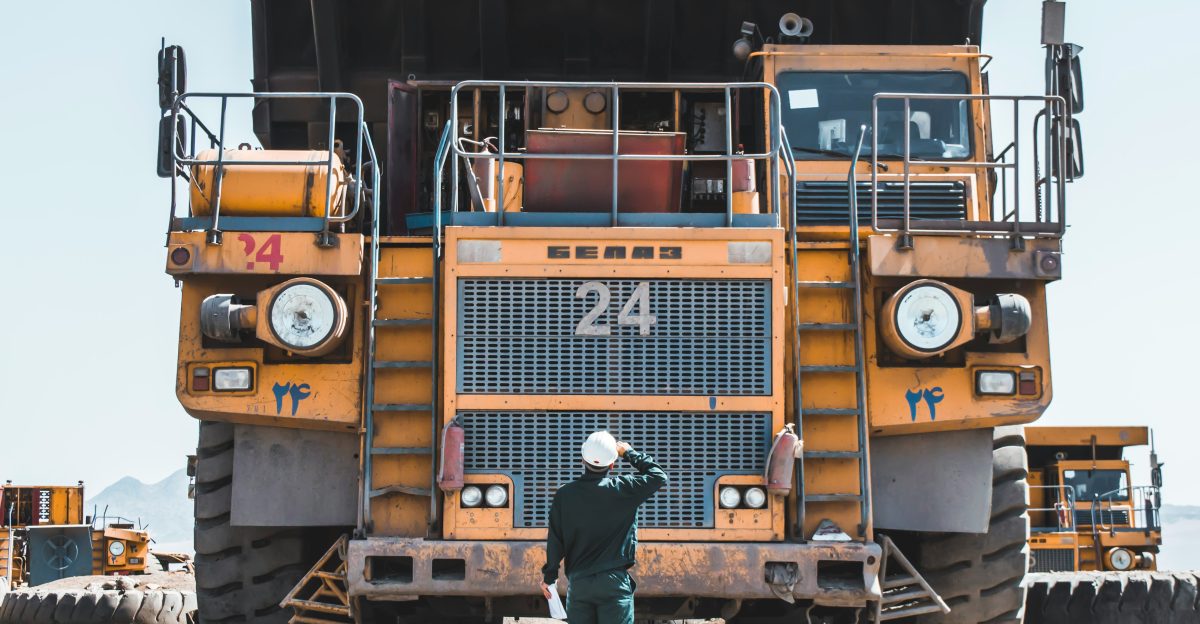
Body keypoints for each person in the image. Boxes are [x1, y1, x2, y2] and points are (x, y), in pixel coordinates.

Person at [540, 431, 668, 624]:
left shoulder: (565, 495)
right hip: (614, 583)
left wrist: (549, 578)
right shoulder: (624, 489)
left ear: (583, 460)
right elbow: (658, 476)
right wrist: (629, 452)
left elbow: (556, 540)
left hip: (580, 583)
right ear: (612, 464)